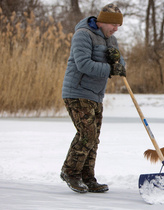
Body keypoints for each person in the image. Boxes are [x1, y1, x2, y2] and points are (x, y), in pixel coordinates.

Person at [60, 3, 126, 193]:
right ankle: (70, 172)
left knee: (94, 138)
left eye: (118, 27)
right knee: (87, 135)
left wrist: (119, 64)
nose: (116, 29)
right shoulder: (83, 34)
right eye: (114, 25)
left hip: (96, 95)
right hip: (77, 92)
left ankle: (87, 177)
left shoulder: (111, 40)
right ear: (103, 21)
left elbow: (120, 62)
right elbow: (83, 64)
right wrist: (110, 68)